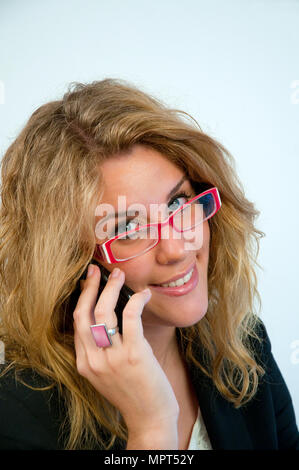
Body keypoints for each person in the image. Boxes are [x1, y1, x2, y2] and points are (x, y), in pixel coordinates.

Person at [0, 79, 298, 451]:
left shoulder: (244, 344)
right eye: (128, 228)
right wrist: (152, 428)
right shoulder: (16, 409)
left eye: (178, 204)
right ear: (73, 261)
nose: (176, 248)